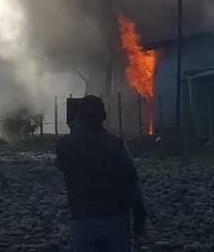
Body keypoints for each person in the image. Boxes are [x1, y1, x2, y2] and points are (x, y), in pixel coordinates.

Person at [55, 94, 147, 252]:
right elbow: (131, 182)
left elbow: (60, 164)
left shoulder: (65, 145)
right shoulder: (116, 145)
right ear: (103, 116)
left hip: (82, 217)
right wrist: (139, 214)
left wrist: (75, 130)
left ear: (78, 117)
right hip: (115, 217)